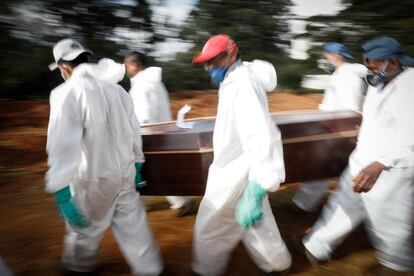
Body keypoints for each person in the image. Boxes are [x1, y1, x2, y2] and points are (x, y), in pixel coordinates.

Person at [293, 36, 414, 274]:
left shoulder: (410, 87)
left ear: (392, 62)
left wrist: (380, 163)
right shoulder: (380, 83)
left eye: (374, 64)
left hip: (391, 166)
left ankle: (396, 265)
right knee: (343, 203)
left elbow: (410, 133)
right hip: (363, 158)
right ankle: (316, 247)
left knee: (388, 217)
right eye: (367, 63)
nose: (370, 68)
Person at [46, 38, 163, 275]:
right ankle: (150, 269)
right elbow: (133, 131)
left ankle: (77, 266)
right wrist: (138, 164)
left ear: (64, 67)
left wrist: (61, 190)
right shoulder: (118, 90)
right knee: (134, 227)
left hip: (94, 180)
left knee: (84, 230)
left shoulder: (65, 93)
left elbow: (61, 145)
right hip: (125, 174)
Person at [191, 34, 292, 275]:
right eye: (208, 62)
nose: (210, 67)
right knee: (256, 219)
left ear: (232, 54)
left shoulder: (242, 84)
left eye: (215, 60)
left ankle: (205, 270)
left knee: (211, 223)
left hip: (237, 167)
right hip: (240, 164)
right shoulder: (234, 79)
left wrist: (259, 184)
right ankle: (278, 264)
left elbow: (262, 134)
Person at [292, 42, 368, 213]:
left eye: (325, 56)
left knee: (326, 166)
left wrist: (341, 131)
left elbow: (351, 107)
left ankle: (303, 205)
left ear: (335, 56)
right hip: (335, 126)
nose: (324, 60)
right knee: (327, 167)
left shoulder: (347, 76)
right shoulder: (342, 74)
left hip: (340, 129)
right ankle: (302, 204)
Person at [124, 51, 194, 217]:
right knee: (153, 171)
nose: (126, 69)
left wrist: (139, 134)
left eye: (127, 65)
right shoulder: (154, 82)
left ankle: (181, 202)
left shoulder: (142, 85)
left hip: (147, 134)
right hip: (160, 131)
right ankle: (145, 202)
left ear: (133, 66)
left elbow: (144, 114)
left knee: (153, 171)